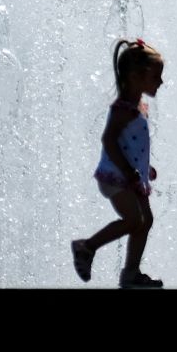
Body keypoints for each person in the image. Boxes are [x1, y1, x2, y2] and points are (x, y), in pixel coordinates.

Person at [70, 38, 165, 289]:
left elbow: (130, 143)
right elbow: (109, 140)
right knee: (134, 219)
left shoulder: (137, 107)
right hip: (116, 176)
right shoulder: (123, 109)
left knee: (146, 220)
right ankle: (86, 246)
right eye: (156, 77)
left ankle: (131, 274)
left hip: (131, 176)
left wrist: (145, 168)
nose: (161, 82)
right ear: (136, 77)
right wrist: (127, 170)